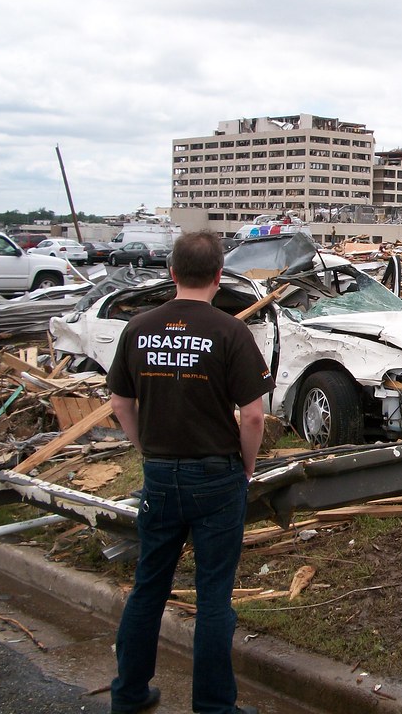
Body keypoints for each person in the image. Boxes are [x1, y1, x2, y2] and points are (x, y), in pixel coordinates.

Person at [107, 231, 274, 714]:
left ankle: (129, 694)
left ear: (172, 273)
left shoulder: (138, 328)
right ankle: (213, 707)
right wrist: (245, 466)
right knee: (214, 596)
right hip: (217, 477)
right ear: (219, 277)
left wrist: (147, 449)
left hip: (160, 475)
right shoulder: (230, 331)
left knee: (149, 585)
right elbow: (253, 416)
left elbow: (120, 402)